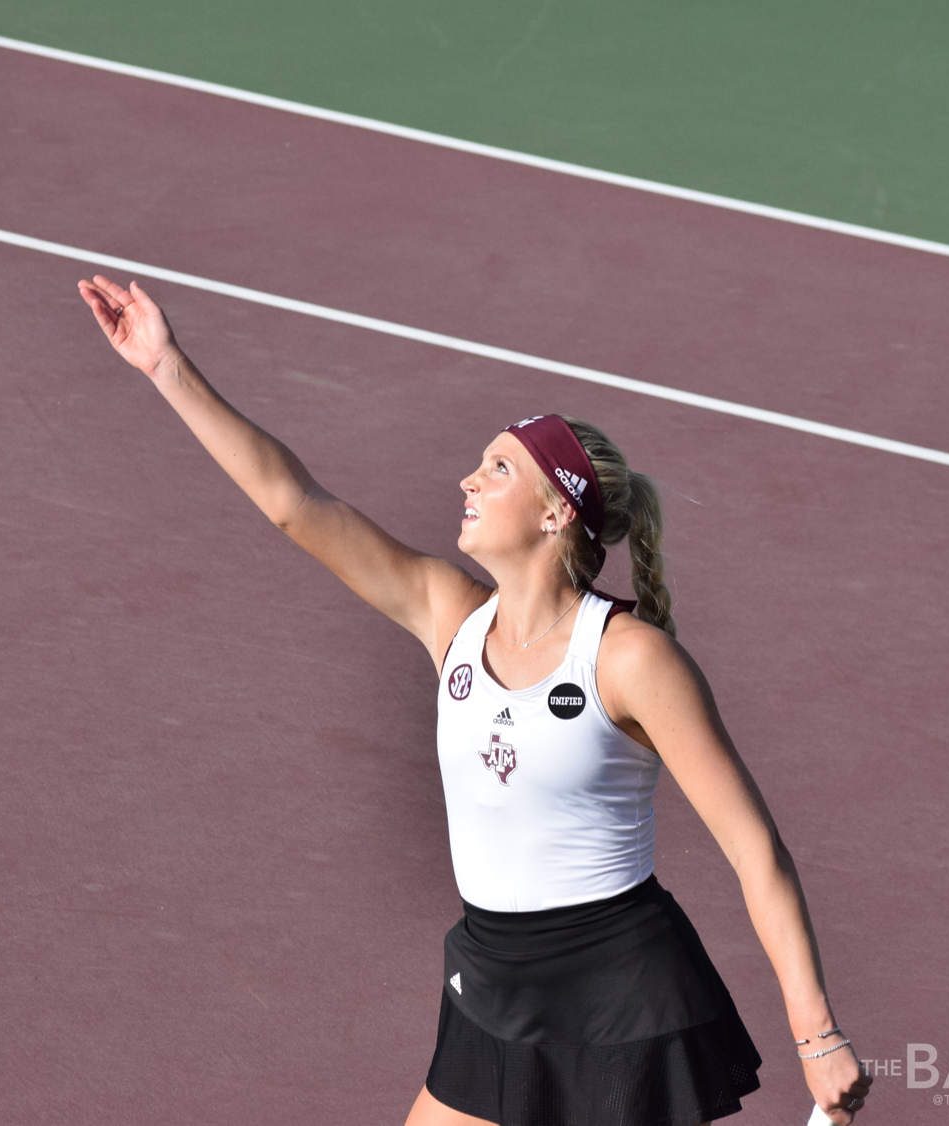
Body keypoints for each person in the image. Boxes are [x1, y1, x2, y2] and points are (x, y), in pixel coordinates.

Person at [77, 275, 873, 1126]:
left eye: (497, 468)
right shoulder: (446, 615)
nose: (467, 479)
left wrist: (815, 1033)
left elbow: (756, 852)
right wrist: (166, 367)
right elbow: (293, 505)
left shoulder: (631, 660)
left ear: (554, 513)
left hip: (617, 995)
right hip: (494, 980)